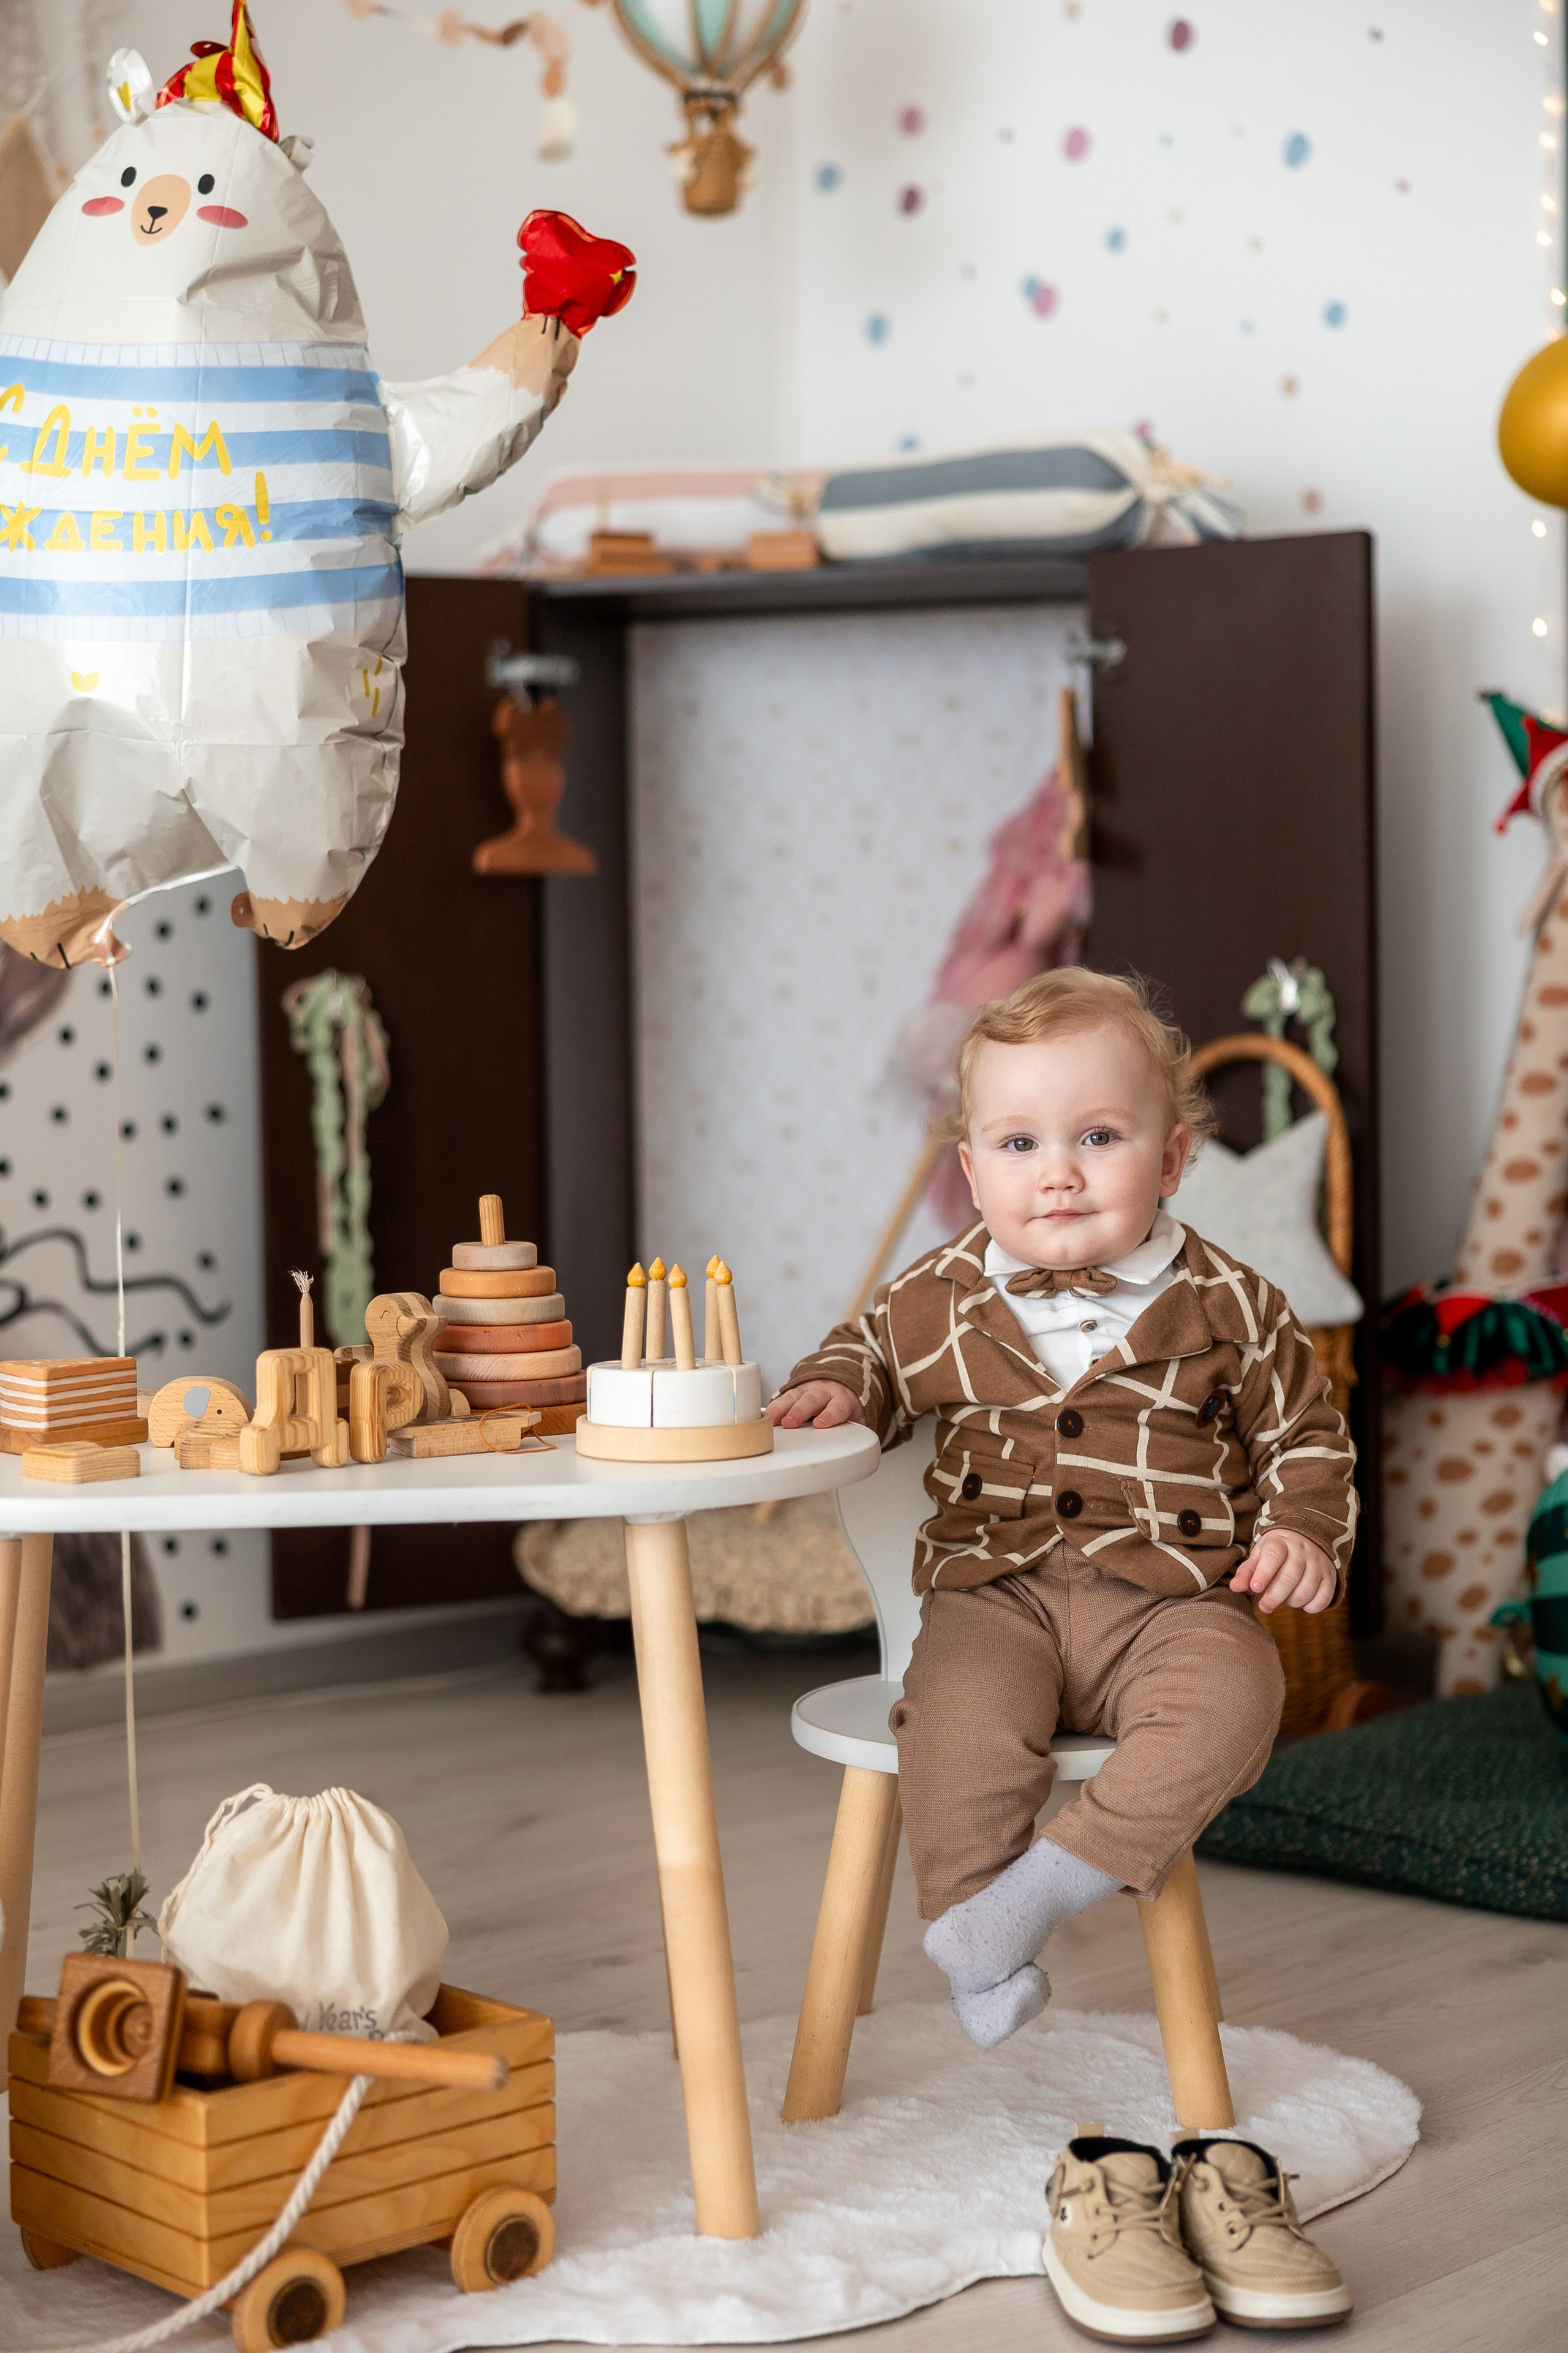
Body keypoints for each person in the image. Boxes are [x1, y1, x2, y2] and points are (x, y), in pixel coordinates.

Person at [770, 967, 1357, 2338]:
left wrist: (1301, 1533)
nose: (1058, 1174)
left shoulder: (1230, 1303)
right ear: (971, 1171)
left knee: (1237, 1697)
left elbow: (1307, 1434)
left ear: (1171, 1153)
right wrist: (836, 1386)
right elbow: (861, 1345)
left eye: (1096, 1137)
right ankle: (974, 1924)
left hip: (1176, 1602)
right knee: (955, 1722)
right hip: (999, 1594)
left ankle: (1032, 1895)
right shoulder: (943, 1295)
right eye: (1019, 1145)